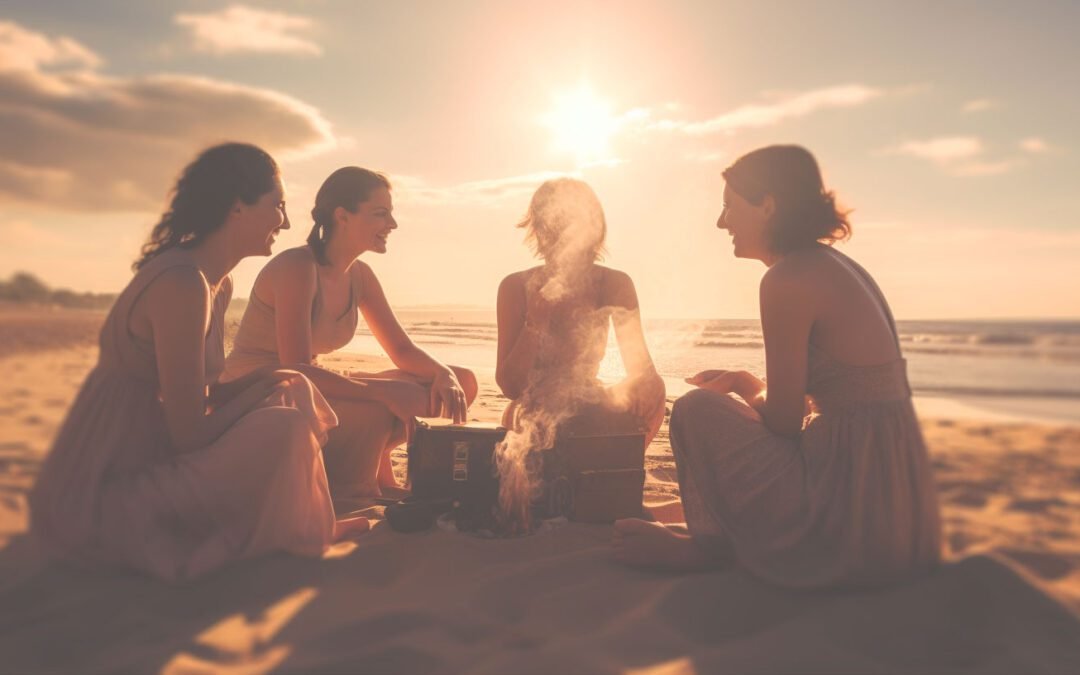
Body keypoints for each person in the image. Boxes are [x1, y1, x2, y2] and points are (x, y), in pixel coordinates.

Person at [29, 143, 367, 582]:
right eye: (277, 206)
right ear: (237, 208)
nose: (284, 222)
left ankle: (304, 525)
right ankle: (296, 529)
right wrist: (259, 395)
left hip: (153, 446)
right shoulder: (182, 283)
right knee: (281, 426)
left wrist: (268, 378)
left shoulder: (215, 283)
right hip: (112, 479)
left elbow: (199, 395)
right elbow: (188, 434)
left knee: (289, 388)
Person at [612, 145, 941, 588]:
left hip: (846, 510)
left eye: (729, 206)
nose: (721, 221)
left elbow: (785, 422)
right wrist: (746, 383)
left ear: (767, 205)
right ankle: (698, 527)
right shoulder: (838, 265)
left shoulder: (787, 279)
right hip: (897, 509)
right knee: (719, 415)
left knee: (695, 411)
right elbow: (836, 401)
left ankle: (707, 548)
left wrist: (744, 388)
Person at [222, 167, 477, 501]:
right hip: (264, 392)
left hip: (311, 382)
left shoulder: (361, 276)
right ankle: (356, 486)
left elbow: (401, 349)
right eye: (380, 214)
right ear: (342, 216)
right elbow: (294, 368)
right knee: (382, 403)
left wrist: (442, 374)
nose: (393, 224)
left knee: (462, 382)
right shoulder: (297, 267)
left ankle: (373, 464)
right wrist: (380, 392)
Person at [496, 178, 665, 446]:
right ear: (541, 228)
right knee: (533, 413)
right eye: (556, 224)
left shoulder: (614, 284)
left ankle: (619, 468)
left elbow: (641, 369)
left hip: (589, 399)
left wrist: (639, 387)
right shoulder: (515, 286)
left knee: (654, 389)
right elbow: (510, 386)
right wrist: (535, 323)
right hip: (531, 407)